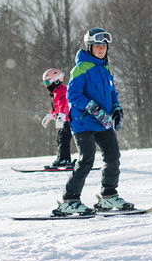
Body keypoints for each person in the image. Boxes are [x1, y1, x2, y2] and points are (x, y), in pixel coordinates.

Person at [54, 27, 133, 216]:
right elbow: (73, 96)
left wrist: (116, 110)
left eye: (104, 46)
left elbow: (112, 92)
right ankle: (69, 200)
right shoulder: (81, 68)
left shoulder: (105, 67)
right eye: (97, 46)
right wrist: (94, 109)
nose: (101, 49)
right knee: (86, 159)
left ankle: (108, 195)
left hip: (103, 122)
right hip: (83, 122)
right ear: (89, 47)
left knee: (113, 157)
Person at [40, 67, 73, 169]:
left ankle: (64, 160)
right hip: (65, 120)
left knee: (63, 139)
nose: (46, 85)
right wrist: (49, 116)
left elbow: (64, 104)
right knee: (61, 139)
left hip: (68, 120)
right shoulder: (56, 92)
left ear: (55, 81)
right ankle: (63, 158)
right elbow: (56, 108)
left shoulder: (61, 91)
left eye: (47, 82)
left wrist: (61, 116)